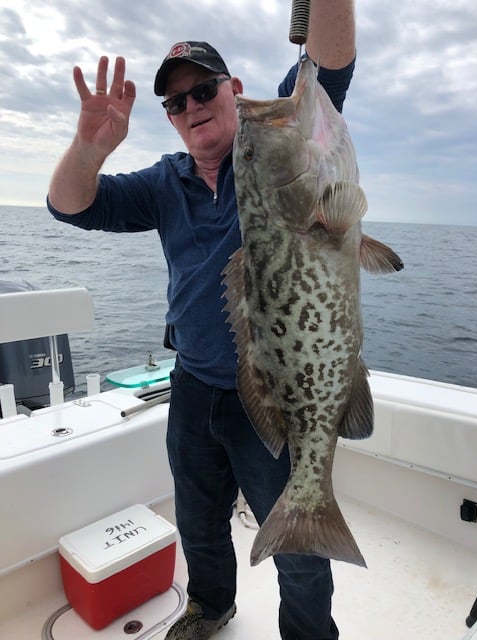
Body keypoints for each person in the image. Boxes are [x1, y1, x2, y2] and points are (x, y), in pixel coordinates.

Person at [47, 2, 356, 638]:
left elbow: (326, 70)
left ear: (234, 90)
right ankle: (211, 605)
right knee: (198, 520)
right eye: (175, 103)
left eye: (204, 90)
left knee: (300, 549)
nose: (191, 108)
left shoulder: (277, 149)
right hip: (192, 386)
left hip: (271, 390)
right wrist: (88, 146)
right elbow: (70, 207)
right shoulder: (166, 183)